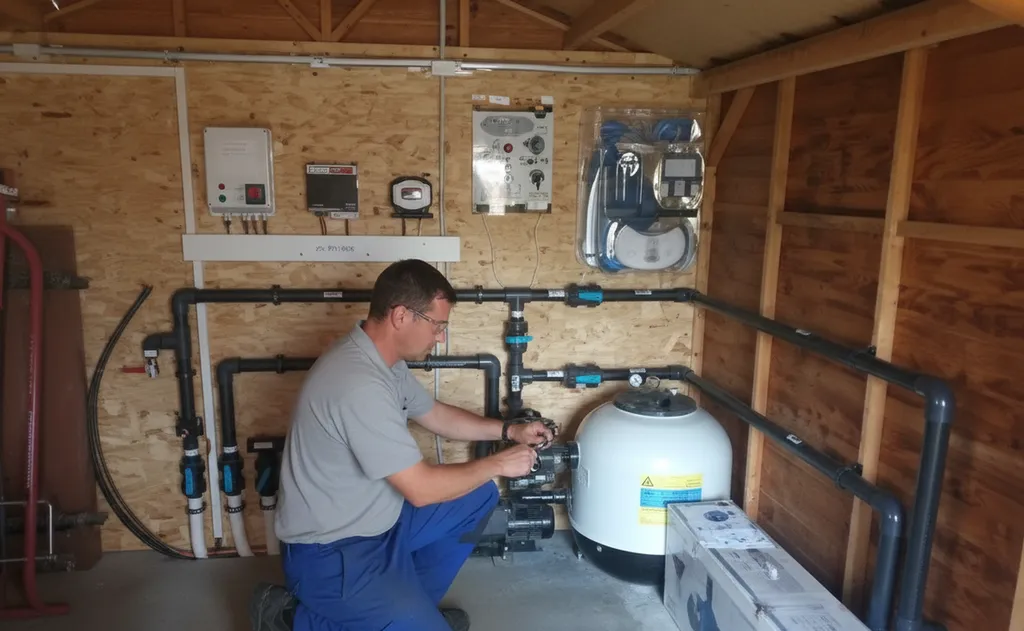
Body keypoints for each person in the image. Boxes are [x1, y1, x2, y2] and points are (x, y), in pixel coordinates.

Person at [250, 259, 553, 631]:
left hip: (381, 520)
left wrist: (510, 431)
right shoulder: (357, 383)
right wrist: (499, 464)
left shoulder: (382, 362)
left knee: (478, 497)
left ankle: (411, 611)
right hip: (332, 552)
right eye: (437, 325)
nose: (440, 337)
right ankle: (289, 618)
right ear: (400, 316)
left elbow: (435, 415)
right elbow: (421, 490)